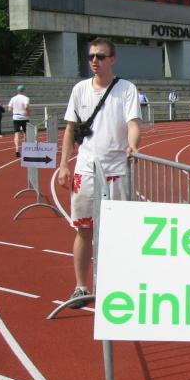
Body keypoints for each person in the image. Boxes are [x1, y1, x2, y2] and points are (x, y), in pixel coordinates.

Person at [56, 38, 141, 307]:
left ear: (112, 59)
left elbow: (133, 123)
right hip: (85, 170)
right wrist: (63, 164)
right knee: (84, 230)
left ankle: (119, 285)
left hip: (117, 171)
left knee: (119, 230)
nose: (95, 60)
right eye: (91, 56)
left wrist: (133, 145)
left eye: (100, 56)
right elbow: (70, 128)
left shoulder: (126, 89)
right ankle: (81, 286)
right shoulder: (80, 89)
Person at [8, 84, 30, 157]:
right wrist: (28, 113)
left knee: (17, 134)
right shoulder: (26, 98)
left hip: (16, 117)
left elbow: (9, 108)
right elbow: (26, 107)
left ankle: (17, 150)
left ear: (17, 90)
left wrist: (14, 113)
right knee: (26, 133)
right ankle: (26, 149)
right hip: (24, 117)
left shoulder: (13, 98)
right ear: (24, 90)